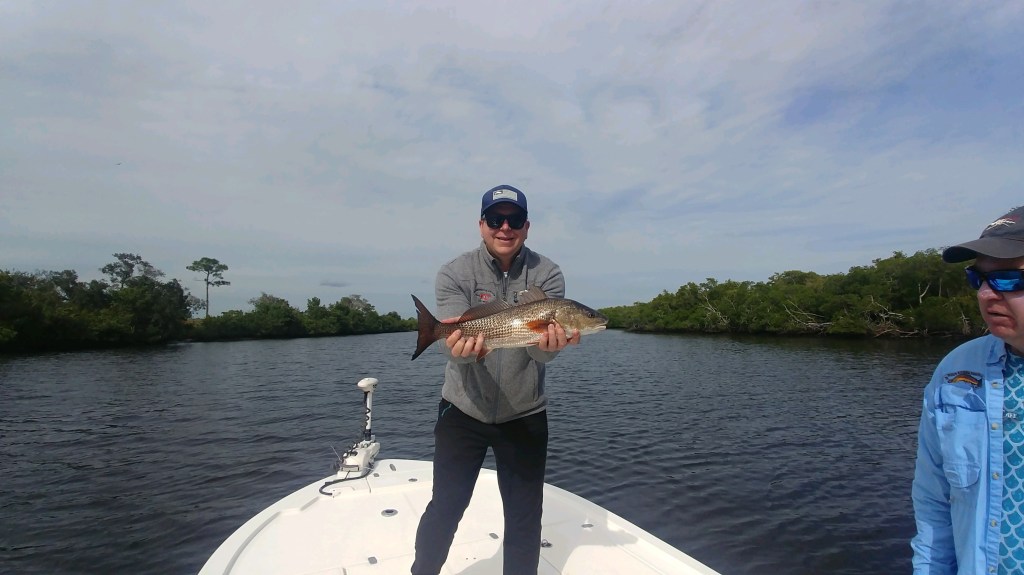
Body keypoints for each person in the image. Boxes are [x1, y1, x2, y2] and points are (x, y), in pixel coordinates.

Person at [411, 185, 581, 575]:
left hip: (524, 414)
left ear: (527, 226)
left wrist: (550, 347)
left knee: (525, 515)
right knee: (446, 506)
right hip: (462, 410)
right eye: (495, 219)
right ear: (481, 224)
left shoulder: (548, 274)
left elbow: (539, 354)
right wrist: (458, 347)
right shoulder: (454, 272)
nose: (505, 228)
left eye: (515, 219)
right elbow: (455, 347)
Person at [912, 205, 1024, 574]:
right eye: (978, 279)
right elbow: (933, 503)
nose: (987, 294)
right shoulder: (954, 370)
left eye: (1009, 279)